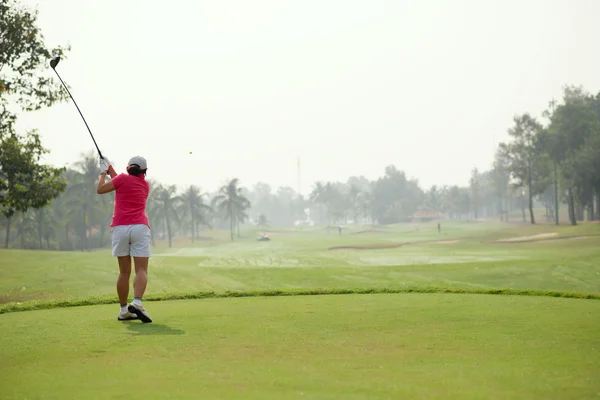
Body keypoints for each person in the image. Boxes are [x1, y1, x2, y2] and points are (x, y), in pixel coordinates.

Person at [96, 156, 153, 323]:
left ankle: (123, 310)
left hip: (120, 228)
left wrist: (102, 173)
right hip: (139, 228)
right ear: (144, 172)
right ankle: (137, 302)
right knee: (141, 269)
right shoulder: (145, 185)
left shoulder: (122, 179)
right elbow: (122, 181)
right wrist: (110, 167)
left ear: (128, 168)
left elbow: (101, 189)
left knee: (124, 272)